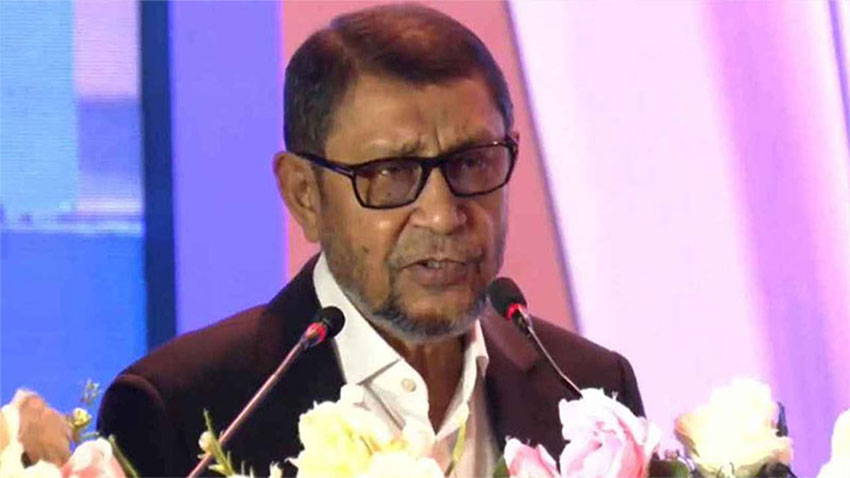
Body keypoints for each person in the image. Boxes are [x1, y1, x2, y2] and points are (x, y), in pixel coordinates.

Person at [97, 4, 644, 477]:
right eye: (390, 173)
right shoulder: (181, 409)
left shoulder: (589, 391)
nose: (443, 215)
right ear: (304, 195)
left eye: (473, 162)